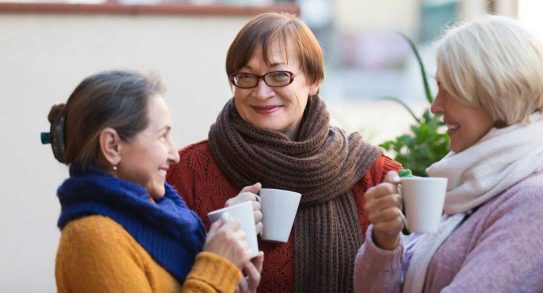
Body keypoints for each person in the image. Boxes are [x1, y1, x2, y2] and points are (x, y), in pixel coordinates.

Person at [354, 15, 543, 292]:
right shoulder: (471, 182)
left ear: (495, 92)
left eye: (449, 90)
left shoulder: (540, 199)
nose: (435, 107)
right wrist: (386, 240)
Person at [167, 12, 401, 292]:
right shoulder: (187, 172)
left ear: (314, 80)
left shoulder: (375, 175)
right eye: (246, 76)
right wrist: (217, 240)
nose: (262, 92)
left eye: (279, 75)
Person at [43, 70, 263, 292]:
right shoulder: (93, 238)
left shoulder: (159, 219)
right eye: (162, 136)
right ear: (112, 146)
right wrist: (217, 270)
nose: (174, 154)